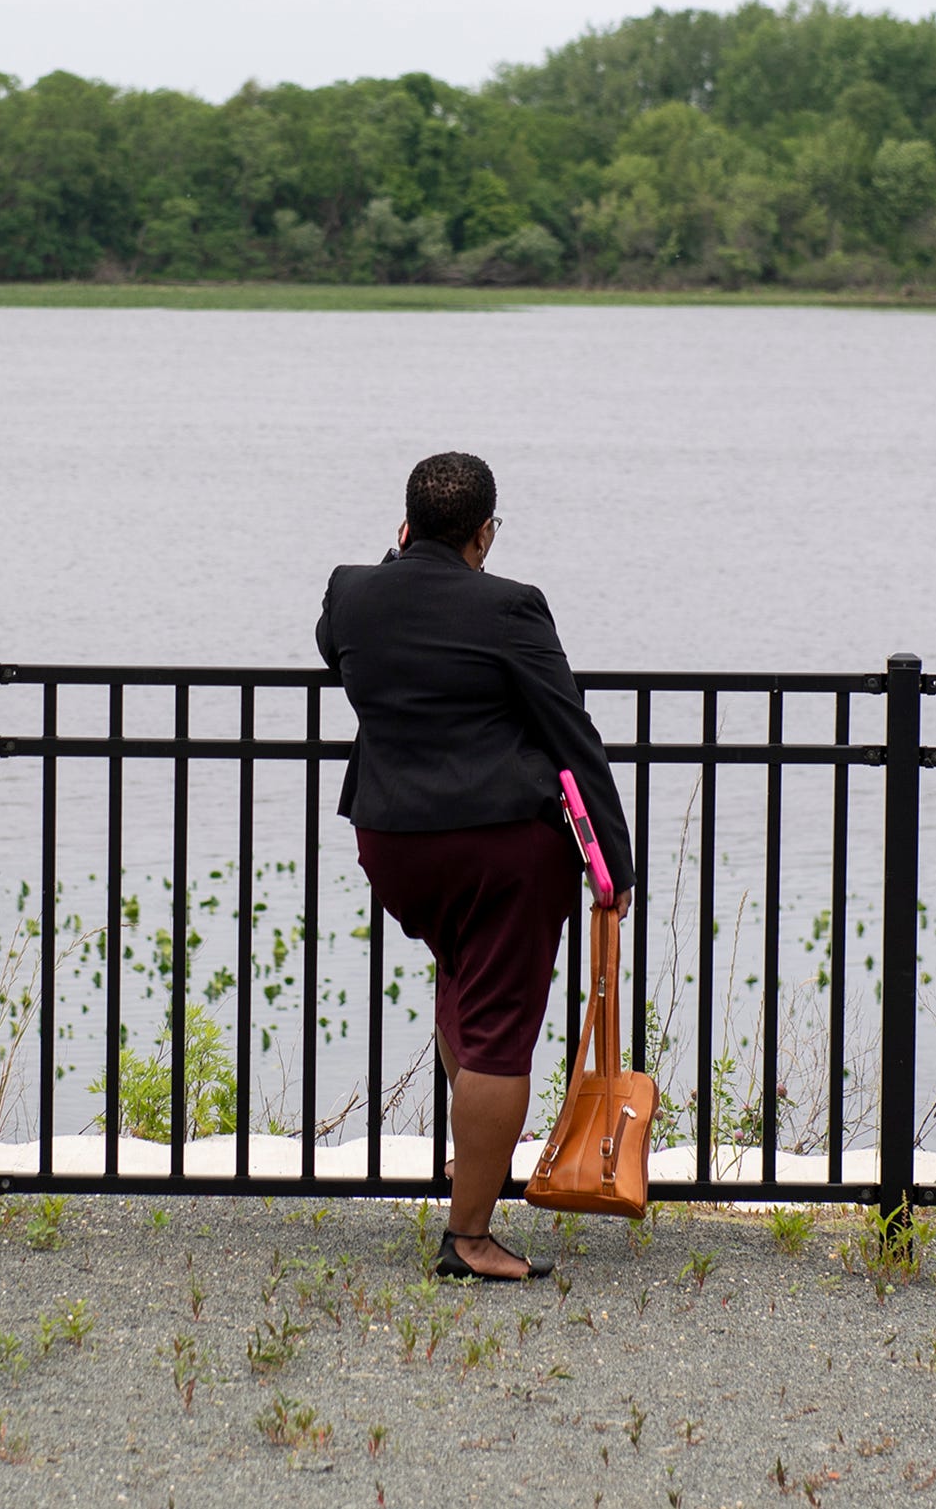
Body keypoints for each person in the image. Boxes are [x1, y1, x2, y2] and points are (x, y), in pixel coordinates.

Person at [316, 451, 636, 1282]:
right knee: (499, 1029)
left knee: (464, 983)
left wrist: (398, 559)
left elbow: (336, 652)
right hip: (499, 846)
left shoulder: (351, 590)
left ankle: (471, 1167)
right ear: (485, 533)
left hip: (394, 844)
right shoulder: (510, 608)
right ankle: (468, 1238)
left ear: (406, 523)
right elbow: (571, 730)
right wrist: (615, 856)